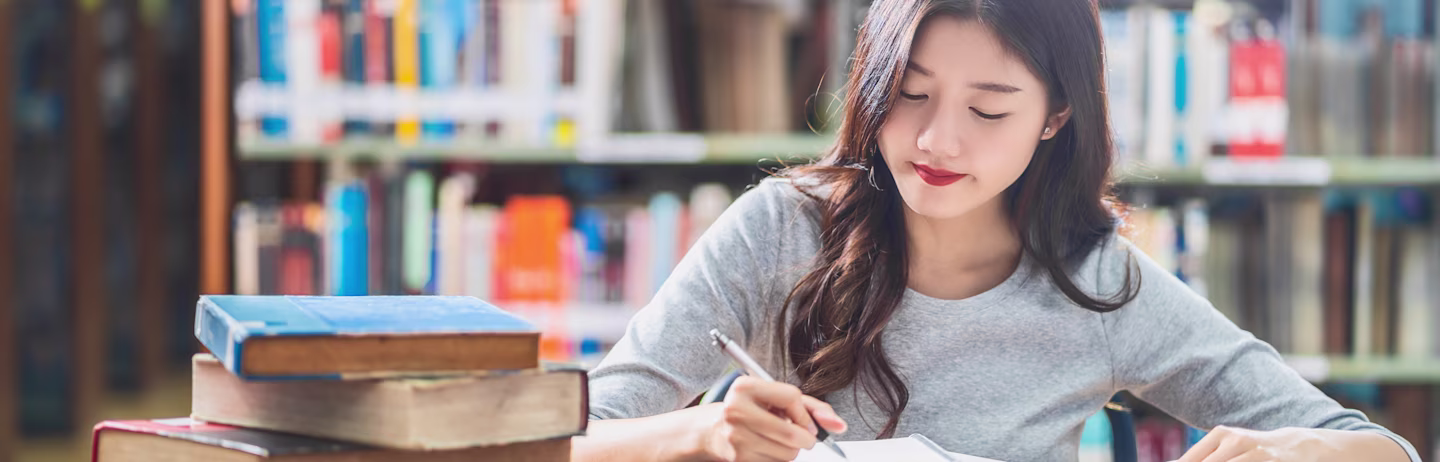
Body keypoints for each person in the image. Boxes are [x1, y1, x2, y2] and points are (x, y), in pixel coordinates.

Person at [571, 0, 1421, 460]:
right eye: (909, 93)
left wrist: (1294, 455)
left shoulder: (1100, 287)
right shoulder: (779, 230)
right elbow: (563, 440)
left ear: (1055, 115)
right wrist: (699, 433)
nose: (939, 140)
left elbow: (1379, 452)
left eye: (988, 108)